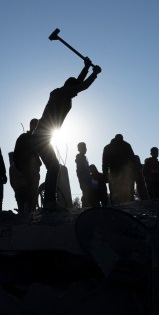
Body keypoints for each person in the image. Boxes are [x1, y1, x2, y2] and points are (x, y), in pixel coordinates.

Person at [33, 60, 101, 211]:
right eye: (74, 91)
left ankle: (50, 200)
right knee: (54, 166)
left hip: (43, 136)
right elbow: (81, 86)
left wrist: (85, 68)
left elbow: (77, 84)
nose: (76, 94)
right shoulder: (61, 92)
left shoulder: (64, 93)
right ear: (70, 87)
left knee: (53, 167)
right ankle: (50, 202)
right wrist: (94, 74)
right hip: (41, 136)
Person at [12, 118, 41, 214]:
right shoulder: (23, 137)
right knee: (26, 193)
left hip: (34, 171)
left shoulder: (38, 139)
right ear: (32, 126)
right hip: (26, 171)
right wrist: (20, 168)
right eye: (37, 126)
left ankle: (31, 212)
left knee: (33, 194)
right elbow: (16, 155)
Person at [102, 133, 136, 205]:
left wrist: (105, 174)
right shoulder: (126, 145)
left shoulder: (108, 147)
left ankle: (117, 208)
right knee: (125, 193)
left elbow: (104, 163)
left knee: (117, 193)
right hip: (122, 173)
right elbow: (132, 159)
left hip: (117, 173)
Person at [74, 142, 95, 208]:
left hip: (88, 178)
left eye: (85, 148)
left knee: (91, 192)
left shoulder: (84, 158)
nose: (85, 149)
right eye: (83, 148)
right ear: (80, 149)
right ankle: (86, 208)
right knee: (86, 193)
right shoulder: (79, 157)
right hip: (84, 179)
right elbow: (79, 170)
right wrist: (82, 178)